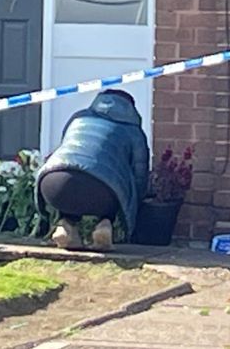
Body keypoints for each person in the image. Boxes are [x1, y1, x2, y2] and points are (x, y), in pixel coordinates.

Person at [35, 89, 149, 251]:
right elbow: (139, 177)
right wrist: (135, 203)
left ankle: (66, 227)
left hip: (52, 181)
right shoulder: (134, 132)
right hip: (101, 190)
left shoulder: (79, 117)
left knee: (73, 185)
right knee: (113, 185)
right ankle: (104, 225)